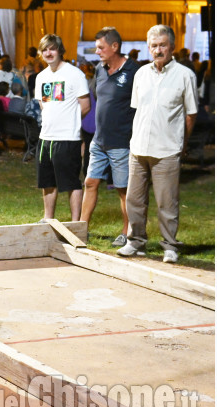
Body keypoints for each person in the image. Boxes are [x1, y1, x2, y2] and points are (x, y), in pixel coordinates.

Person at [117, 25, 198, 263]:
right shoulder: (141, 74)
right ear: (148, 47)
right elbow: (137, 110)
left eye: (162, 45)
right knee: (134, 199)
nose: (158, 49)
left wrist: (182, 143)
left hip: (167, 150)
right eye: (154, 45)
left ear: (172, 46)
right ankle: (136, 242)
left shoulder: (185, 75)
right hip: (139, 147)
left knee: (167, 202)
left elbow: (191, 115)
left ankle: (170, 246)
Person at [80, 27, 139, 247]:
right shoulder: (99, 69)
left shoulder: (134, 71)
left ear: (115, 47)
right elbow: (98, 96)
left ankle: (127, 232)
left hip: (121, 142)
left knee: (123, 190)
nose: (97, 51)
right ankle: (81, 229)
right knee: (90, 182)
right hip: (99, 139)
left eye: (100, 47)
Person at [34, 34, 90, 222]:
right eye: (45, 50)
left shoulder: (75, 74)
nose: (48, 53)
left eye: (52, 48)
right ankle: (48, 219)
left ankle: (76, 223)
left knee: (71, 183)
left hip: (68, 138)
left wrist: (69, 120)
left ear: (60, 50)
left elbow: (85, 105)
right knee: (47, 181)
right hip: (45, 138)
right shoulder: (41, 77)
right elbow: (44, 105)